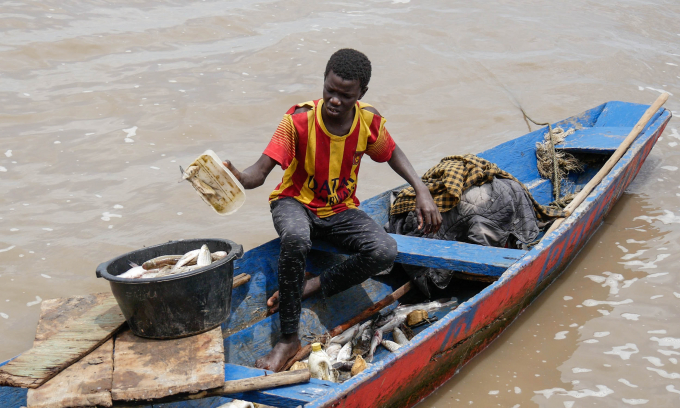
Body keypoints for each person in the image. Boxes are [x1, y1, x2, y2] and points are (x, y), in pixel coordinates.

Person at [223, 48, 441, 371]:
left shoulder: (368, 123)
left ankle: (314, 284)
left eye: (345, 95)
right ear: (323, 82)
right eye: (330, 90)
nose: (335, 100)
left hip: (339, 210)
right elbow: (259, 172)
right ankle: (287, 340)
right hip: (294, 202)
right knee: (296, 238)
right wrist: (238, 177)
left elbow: (392, 152)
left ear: (361, 94)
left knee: (385, 250)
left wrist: (420, 188)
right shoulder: (298, 121)